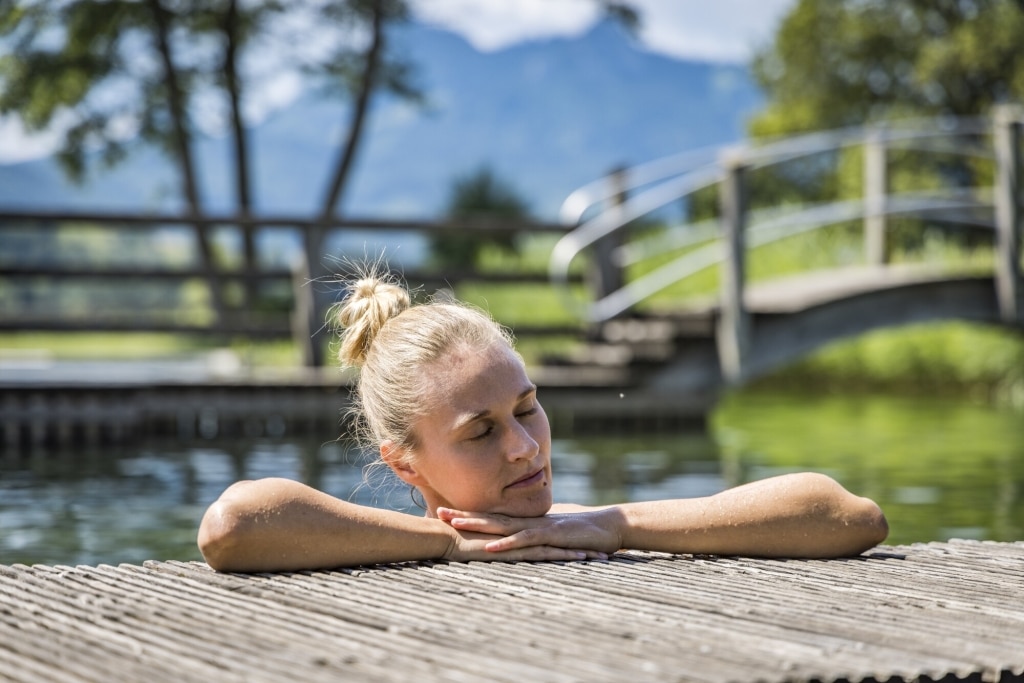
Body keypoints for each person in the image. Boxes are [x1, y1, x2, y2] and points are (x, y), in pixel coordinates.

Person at [197, 269, 888, 573]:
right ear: (404, 463)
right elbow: (230, 526)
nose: (526, 446)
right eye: (481, 430)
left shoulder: (582, 524)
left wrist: (619, 524)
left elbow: (851, 516)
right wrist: (448, 546)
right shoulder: (368, 540)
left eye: (528, 407)